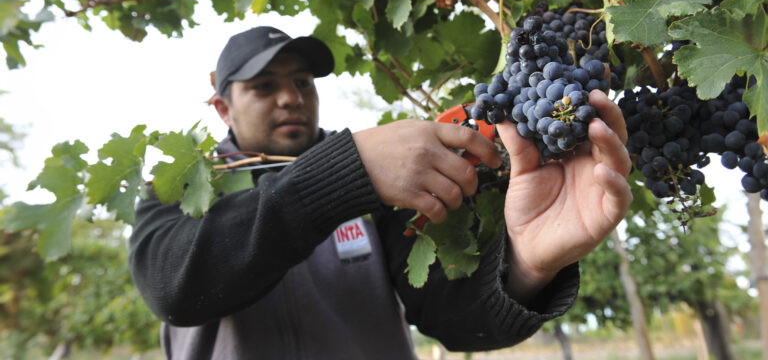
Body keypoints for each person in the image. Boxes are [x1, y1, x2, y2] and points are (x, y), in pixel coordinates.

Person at [128, 26, 632, 359]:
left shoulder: (381, 187)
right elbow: (176, 288)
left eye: (303, 82)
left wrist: (527, 269)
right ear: (222, 107)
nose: (290, 97)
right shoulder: (180, 185)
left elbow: (455, 322)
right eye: (263, 87)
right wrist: (343, 172)